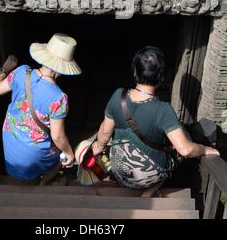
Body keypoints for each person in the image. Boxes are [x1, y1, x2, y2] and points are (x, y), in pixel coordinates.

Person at [92, 46, 220, 196]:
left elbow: (105, 132)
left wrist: (98, 146)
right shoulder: (163, 110)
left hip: (120, 171)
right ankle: (150, 191)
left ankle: (130, 186)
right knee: (177, 153)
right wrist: (204, 149)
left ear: (134, 71)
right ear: (161, 78)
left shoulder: (118, 96)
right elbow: (185, 150)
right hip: (149, 178)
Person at [0, 33, 81, 183]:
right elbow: (57, 137)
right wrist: (69, 152)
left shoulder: (21, 72)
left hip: (11, 142)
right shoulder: (59, 98)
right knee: (63, 157)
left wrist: (5, 69)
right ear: (63, 67)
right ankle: (43, 181)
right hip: (34, 154)